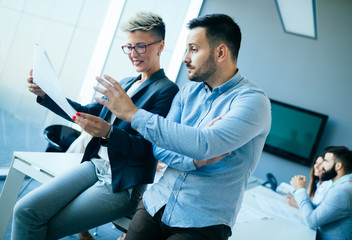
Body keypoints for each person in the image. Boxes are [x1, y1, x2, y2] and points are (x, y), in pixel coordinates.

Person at [91, 13, 271, 240]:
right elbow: (160, 148)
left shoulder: (253, 102)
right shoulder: (187, 92)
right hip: (156, 204)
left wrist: (134, 114)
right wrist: (194, 158)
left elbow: (205, 144)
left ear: (221, 52)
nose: (185, 57)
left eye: (194, 49)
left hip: (203, 222)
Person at [12, 11, 179, 240]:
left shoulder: (166, 91)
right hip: (95, 166)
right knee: (24, 210)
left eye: (141, 46)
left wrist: (109, 133)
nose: (133, 54)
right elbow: (86, 112)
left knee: (40, 225)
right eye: (129, 47)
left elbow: (149, 149)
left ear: (160, 46)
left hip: (122, 183)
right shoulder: (127, 83)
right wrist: (45, 93)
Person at [290, 146, 352, 240]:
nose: (322, 166)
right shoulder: (342, 186)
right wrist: (299, 190)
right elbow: (317, 210)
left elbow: (311, 221)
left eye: (326, 161)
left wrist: (300, 190)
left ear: (338, 166)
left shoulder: (343, 191)